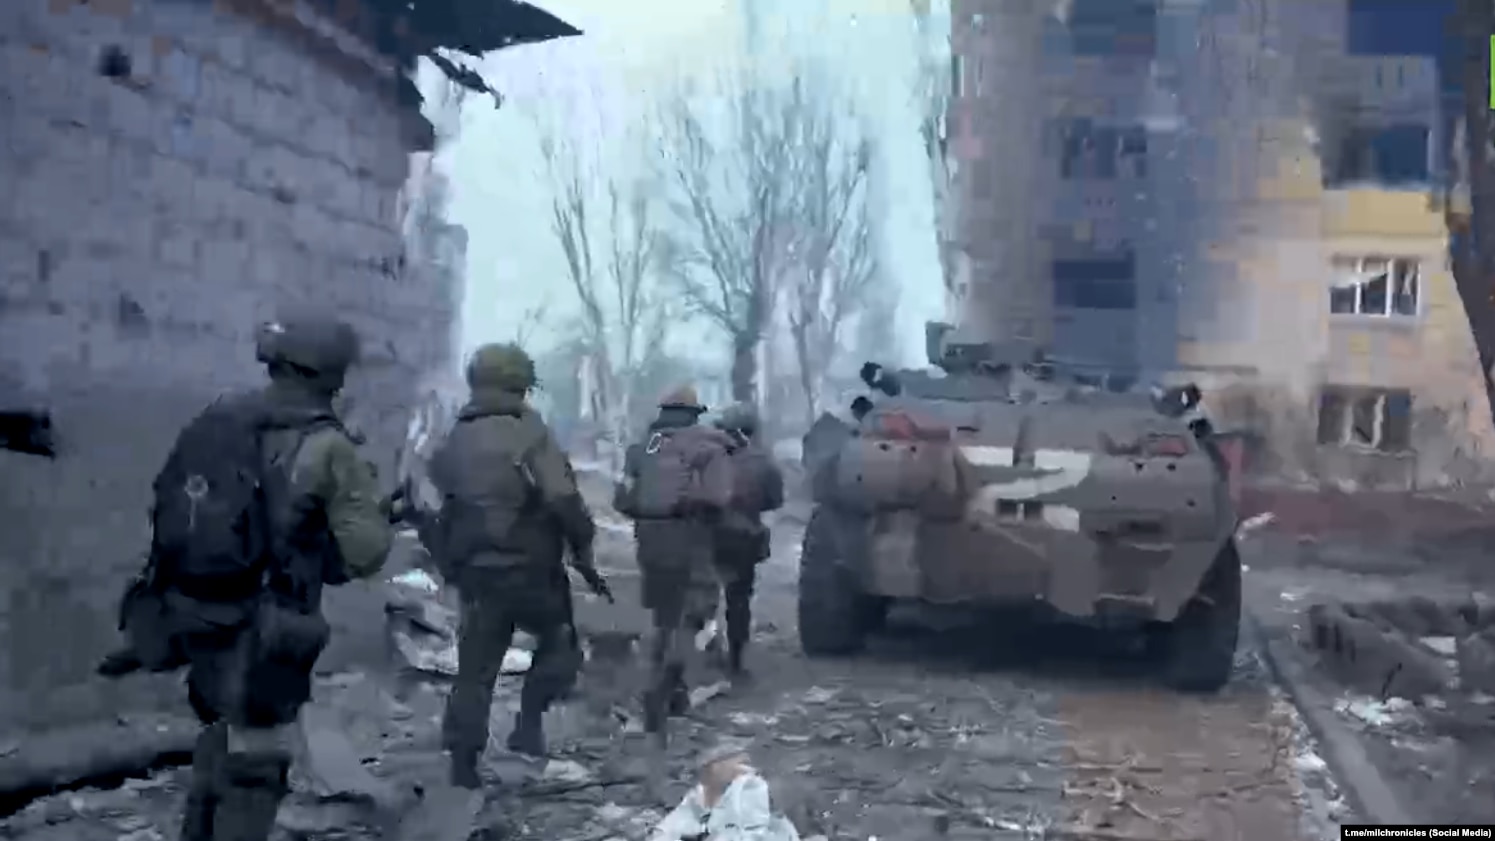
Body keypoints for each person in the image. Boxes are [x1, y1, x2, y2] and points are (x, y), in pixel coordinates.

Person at [137, 314, 394, 841]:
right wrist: (374, 505)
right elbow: (363, 555)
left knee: (218, 735)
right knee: (257, 761)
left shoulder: (223, 414)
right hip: (269, 628)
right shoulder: (329, 446)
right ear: (333, 374)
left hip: (197, 611)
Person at [428, 342, 610, 789]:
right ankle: (528, 724)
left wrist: (453, 564)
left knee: (476, 667)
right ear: (522, 384)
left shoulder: (453, 436)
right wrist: (582, 545)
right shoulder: (529, 431)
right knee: (560, 643)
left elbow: (431, 505)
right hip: (531, 569)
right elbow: (562, 497)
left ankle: (463, 762)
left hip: (476, 573)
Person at [613, 387, 735, 752]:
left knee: (664, 617)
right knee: (693, 616)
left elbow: (622, 500)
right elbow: (719, 498)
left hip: (650, 542)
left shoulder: (643, 448)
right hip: (691, 538)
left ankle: (674, 694)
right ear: (695, 413)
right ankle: (658, 694)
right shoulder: (709, 447)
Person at [710, 403, 784, 679]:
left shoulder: (705, 456)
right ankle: (735, 660)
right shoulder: (763, 462)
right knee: (738, 600)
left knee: (701, 596)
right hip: (743, 537)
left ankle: (702, 652)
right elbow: (774, 501)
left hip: (706, 535)